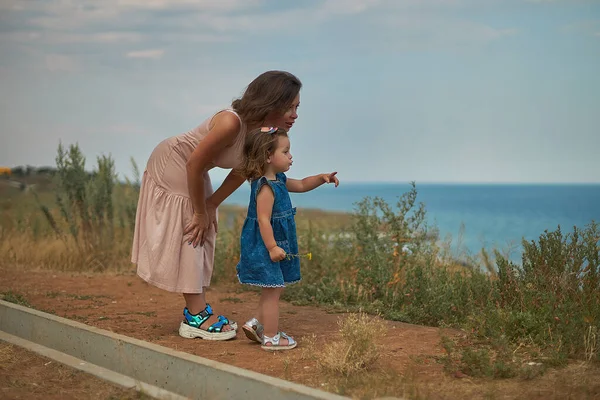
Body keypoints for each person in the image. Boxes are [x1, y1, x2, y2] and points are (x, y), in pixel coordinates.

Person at [131, 71, 302, 341]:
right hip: (174, 162)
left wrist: (211, 205)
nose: (294, 115)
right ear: (272, 102)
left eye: (297, 108)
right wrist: (199, 210)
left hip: (194, 170)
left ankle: (196, 309)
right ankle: (195, 316)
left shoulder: (259, 135)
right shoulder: (230, 122)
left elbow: (241, 171)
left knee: (205, 228)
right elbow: (193, 164)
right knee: (193, 228)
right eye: (290, 107)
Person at [235, 126, 339, 350]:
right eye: (286, 151)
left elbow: (301, 184)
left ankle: (257, 325)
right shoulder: (265, 187)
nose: (291, 156)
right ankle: (271, 337)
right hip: (267, 244)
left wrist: (322, 178)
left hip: (276, 243)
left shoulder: (279, 180)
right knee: (272, 291)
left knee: (273, 287)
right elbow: (263, 220)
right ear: (268, 156)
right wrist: (272, 247)